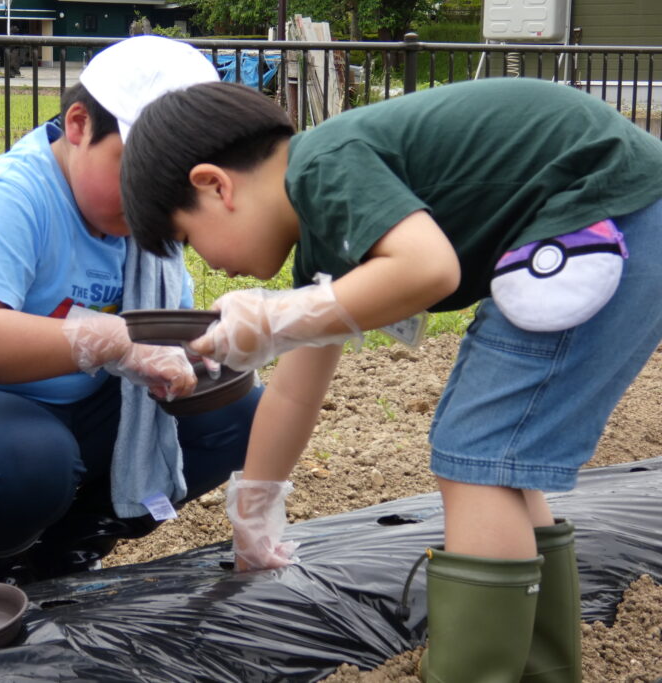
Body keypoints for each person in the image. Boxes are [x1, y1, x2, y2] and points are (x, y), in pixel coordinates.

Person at [119, 78, 662, 682]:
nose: (208, 263)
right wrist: (255, 507)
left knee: (478, 456)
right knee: (498, 462)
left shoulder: (322, 165)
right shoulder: (324, 224)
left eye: (188, 239)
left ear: (215, 185)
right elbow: (296, 388)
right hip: (590, 222)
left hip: (603, 220)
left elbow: (427, 268)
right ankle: (538, 670)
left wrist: (277, 317)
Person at [0, 35, 263, 586]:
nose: (153, 201)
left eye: (173, 186)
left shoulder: (140, 226)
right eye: (137, 171)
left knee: (234, 408)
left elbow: (162, 335)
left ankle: (75, 541)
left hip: (83, 397)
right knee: (31, 458)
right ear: (78, 125)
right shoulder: (8, 194)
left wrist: (202, 346)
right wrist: (114, 340)